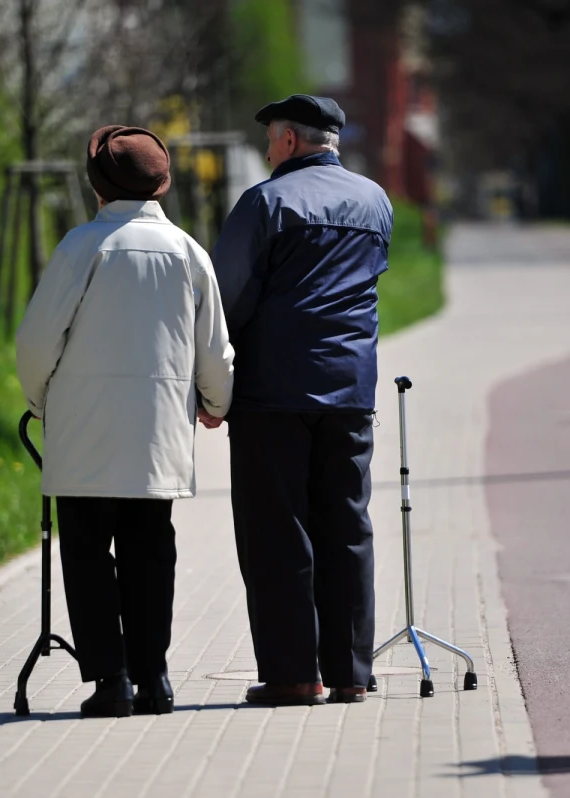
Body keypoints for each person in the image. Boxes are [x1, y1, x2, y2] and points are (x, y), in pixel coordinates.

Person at [16, 125, 234, 718]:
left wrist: (41, 403)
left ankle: (110, 681)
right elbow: (214, 349)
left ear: (97, 188)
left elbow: (36, 342)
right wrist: (215, 403)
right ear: (160, 185)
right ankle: (155, 677)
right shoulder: (190, 253)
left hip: (83, 428)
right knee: (149, 549)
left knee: (85, 551)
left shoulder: (81, 247)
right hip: (158, 431)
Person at [207, 95, 393, 706]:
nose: (266, 151)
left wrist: (208, 381)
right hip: (350, 390)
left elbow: (225, 299)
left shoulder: (266, 202)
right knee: (346, 524)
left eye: (269, 141)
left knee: (277, 529)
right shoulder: (375, 200)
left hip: (273, 394)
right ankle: (350, 673)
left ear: (287, 140)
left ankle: (293, 674)